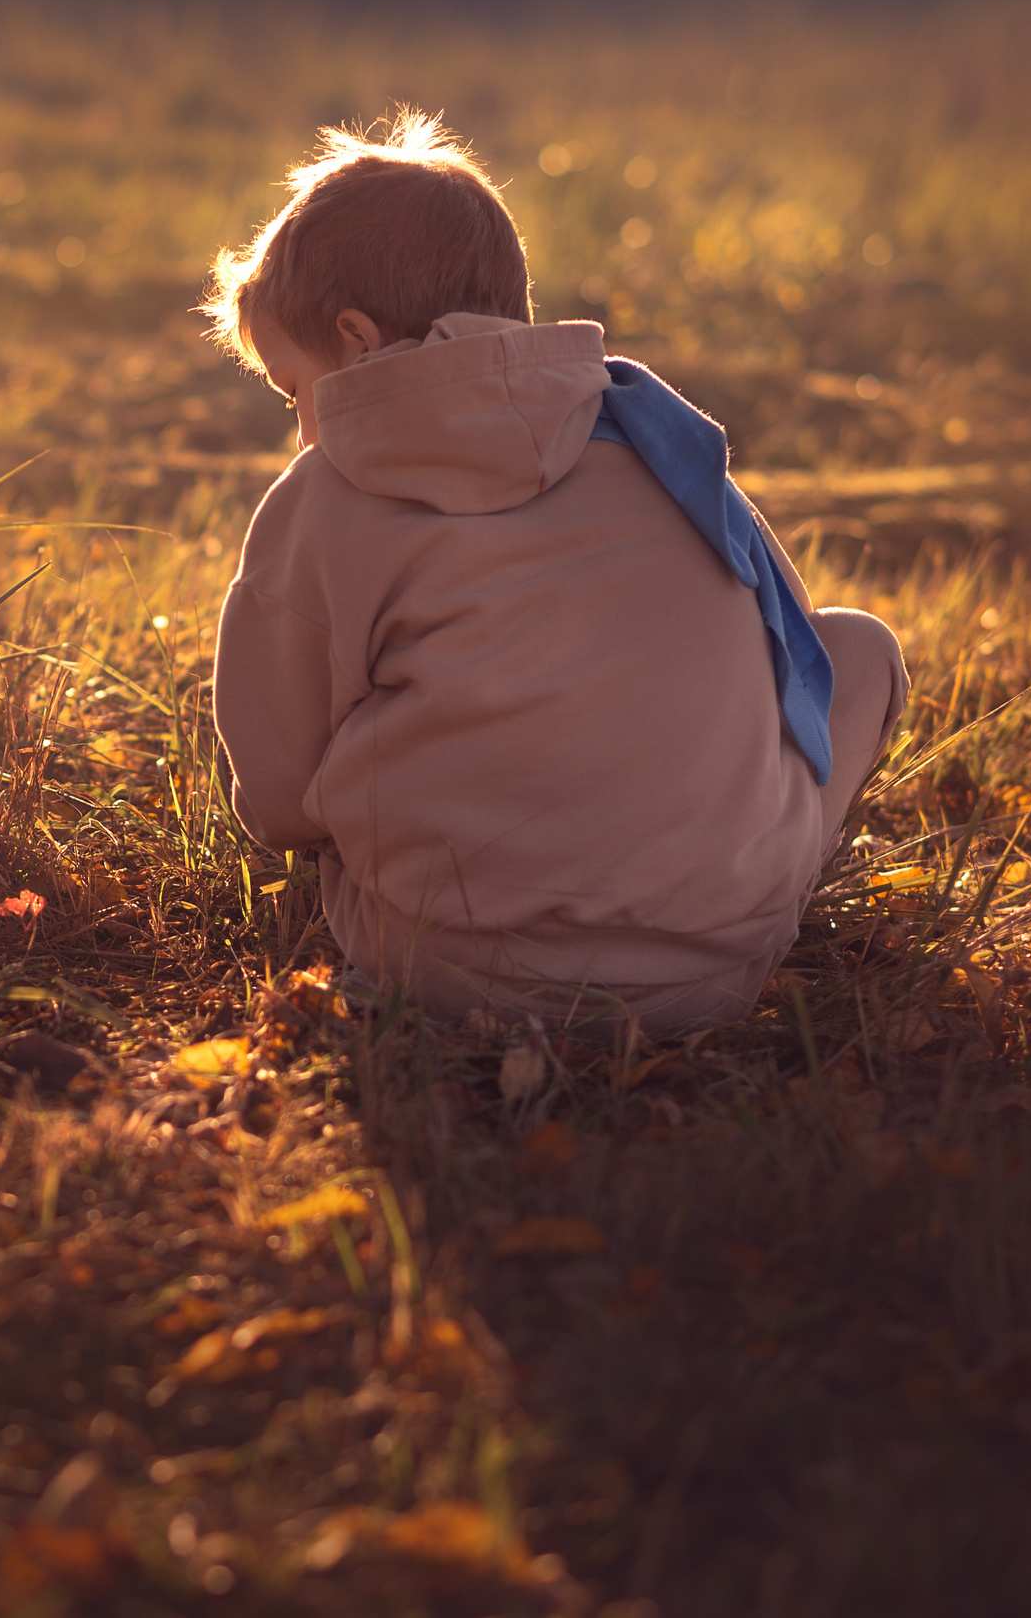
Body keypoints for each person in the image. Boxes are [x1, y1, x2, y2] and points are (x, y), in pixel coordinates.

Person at [206, 111, 907, 1034]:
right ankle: (696, 898)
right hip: (716, 975)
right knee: (859, 649)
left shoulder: (330, 492)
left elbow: (281, 798)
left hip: (449, 970)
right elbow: (792, 671)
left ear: (359, 342)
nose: (303, 430)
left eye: (295, 391)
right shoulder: (660, 441)